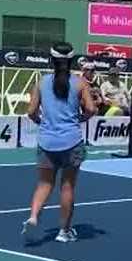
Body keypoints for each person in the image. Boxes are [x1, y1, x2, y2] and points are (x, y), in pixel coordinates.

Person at [21, 42, 98, 244]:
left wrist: (42, 123)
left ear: (52, 60)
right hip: (71, 141)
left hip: (47, 141)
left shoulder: (42, 82)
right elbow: (91, 109)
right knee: (67, 187)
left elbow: (30, 112)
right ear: (71, 60)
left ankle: (34, 216)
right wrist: (79, 119)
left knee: (44, 183)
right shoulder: (80, 83)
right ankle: (64, 231)